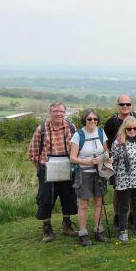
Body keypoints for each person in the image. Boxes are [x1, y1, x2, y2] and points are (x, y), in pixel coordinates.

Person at [28, 102, 78, 242]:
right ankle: (47, 230)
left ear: (65, 113)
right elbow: (32, 153)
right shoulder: (41, 129)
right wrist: (41, 170)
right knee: (45, 200)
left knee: (69, 198)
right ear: (50, 112)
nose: (58, 114)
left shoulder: (72, 127)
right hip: (47, 170)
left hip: (67, 169)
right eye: (55, 111)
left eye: (61, 111)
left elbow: (76, 148)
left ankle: (66, 226)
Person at [103, 94, 136, 230]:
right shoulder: (111, 122)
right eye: (122, 104)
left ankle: (134, 218)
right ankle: (118, 218)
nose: (125, 106)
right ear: (118, 106)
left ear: (131, 105)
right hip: (119, 166)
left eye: (128, 104)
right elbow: (107, 142)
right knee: (119, 193)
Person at [69, 109, 110, 246]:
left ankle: (99, 230)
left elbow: (106, 151)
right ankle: (83, 233)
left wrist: (104, 158)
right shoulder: (78, 135)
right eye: (89, 119)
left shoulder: (100, 132)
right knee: (84, 204)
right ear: (84, 120)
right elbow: (72, 158)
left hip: (99, 172)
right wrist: (88, 162)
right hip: (84, 173)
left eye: (95, 119)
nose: (93, 121)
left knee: (99, 202)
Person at [110, 116, 136, 241]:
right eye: (129, 128)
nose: (132, 130)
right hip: (123, 179)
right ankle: (123, 230)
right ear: (124, 129)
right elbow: (113, 161)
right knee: (124, 206)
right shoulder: (118, 142)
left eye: (135, 128)